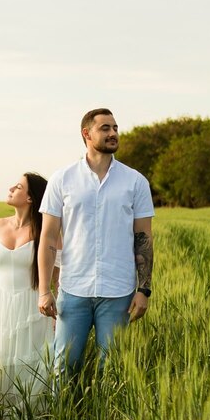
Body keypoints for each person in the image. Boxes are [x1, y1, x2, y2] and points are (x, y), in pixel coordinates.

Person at [36, 108, 154, 376]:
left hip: (118, 292)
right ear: (86, 134)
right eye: (105, 128)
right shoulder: (62, 179)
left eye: (115, 128)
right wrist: (44, 290)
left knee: (112, 370)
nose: (113, 133)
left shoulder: (135, 181)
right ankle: (62, 418)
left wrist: (143, 290)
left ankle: (108, 418)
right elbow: (48, 237)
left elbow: (144, 238)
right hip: (73, 289)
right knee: (63, 367)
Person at [0, 172, 60, 406]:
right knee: (1, 363)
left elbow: (58, 275)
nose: (11, 188)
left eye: (18, 186)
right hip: (0, 306)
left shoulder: (47, 230)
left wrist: (58, 311)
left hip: (33, 307)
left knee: (31, 364)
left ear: (31, 198)